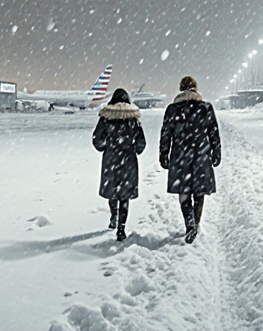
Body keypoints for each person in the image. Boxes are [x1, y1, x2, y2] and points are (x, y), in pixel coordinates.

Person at [159, 76, 221, 244]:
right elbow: (213, 133)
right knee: (199, 192)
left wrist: (164, 154)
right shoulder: (206, 108)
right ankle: (196, 223)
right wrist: (216, 152)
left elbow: (166, 134)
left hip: (180, 155)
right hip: (201, 154)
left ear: (181, 89)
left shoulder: (172, 109)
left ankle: (189, 223)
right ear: (196, 89)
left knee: (184, 192)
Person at [92, 88, 146, 241]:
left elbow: (96, 139)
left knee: (112, 190)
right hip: (128, 160)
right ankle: (121, 228)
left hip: (111, 159)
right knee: (125, 195)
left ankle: (113, 216)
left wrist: (106, 148)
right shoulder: (133, 118)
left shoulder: (105, 117)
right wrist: (133, 150)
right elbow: (141, 141)